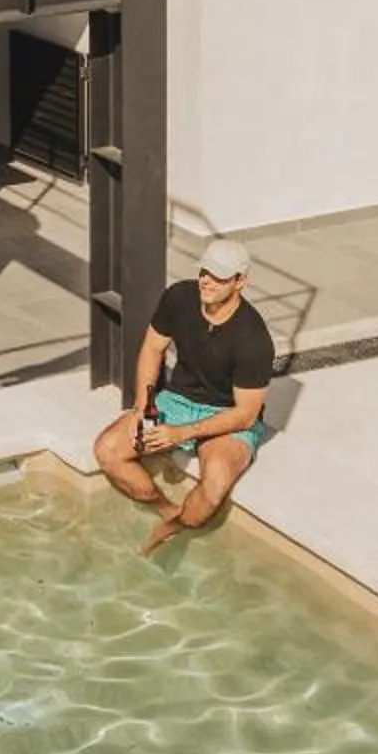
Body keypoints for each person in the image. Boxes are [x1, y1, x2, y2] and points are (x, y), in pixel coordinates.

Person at [92, 239, 276, 557]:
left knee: (215, 485)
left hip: (227, 413)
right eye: (204, 271)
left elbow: (246, 414)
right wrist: (143, 408)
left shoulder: (254, 338)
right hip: (177, 401)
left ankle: (177, 526)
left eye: (219, 276)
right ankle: (166, 510)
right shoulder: (179, 298)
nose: (207, 280)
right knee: (108, 451)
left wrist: (181, 433)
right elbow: (152, 349)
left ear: (240, 281)